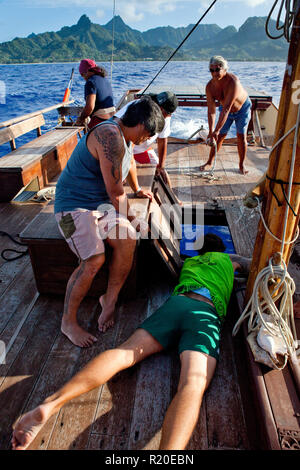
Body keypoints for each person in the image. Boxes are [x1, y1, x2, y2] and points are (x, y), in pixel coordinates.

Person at [11, 234, 251, 451]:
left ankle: (51, 404)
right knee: (193, 382)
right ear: (222, 250)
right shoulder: (228, 261)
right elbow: (252, 267)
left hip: (177, 304)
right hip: (204, 313)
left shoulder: (190, 262)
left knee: (124, 353)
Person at [54, 97, 165, 347]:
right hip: (69, 208)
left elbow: (130, 162)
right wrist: (137, 219)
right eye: (147, 135)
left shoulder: (125, 137)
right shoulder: (110, 136)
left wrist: (137, 189)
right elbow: (116, 195)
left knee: (127, 240)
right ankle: (68, 321)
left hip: (100, 206)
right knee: (94, 259)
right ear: (140, 126)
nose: (146, 140)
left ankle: (110, 299)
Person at [200, 56, 252, 175]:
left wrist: (217, 130)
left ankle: (241, 164)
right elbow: (211, 110)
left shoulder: (233, 82)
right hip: (225, 110)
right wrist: (211, 131)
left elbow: (227, 108)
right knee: (219, 137)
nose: (214, 73)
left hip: (242, 109)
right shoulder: (209, 87)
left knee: (241, 135)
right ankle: (209, 162)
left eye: (217, 70)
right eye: (211, 70)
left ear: (224, 69)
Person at [116, 91, 178, 188]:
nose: (167, 117)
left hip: (140, 149)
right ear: (161, 109)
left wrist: (161, 166)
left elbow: (162, 140)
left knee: (162, 173)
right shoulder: (139, 109)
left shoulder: (165, 117)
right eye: (167, 114)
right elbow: (125, 138)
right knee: (119, 179)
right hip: (120, 148)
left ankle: (172, 198)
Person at [75, 59, 115, 129]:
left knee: (85, 139)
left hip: (101, 121)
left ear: (85, 73)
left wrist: (80, 119)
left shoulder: (90, 82)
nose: (83, 78)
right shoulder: (105, 79)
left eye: (82, 75)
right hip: (113, 120)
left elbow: (90, 107)